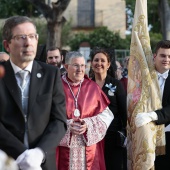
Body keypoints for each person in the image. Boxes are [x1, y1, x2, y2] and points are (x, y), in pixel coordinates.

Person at [0, 16, 67, 170]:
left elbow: (59, 120)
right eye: (20, 37)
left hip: (42, 163)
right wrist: (22, 154)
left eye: (32, 36)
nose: (28, 42)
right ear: (7, 45)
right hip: (6, 161)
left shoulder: (51, 74)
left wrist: (38, 153)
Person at [56, 51, 114, 170]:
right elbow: (46, 116)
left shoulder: (92, 87)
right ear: (66, 67)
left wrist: (88, 125)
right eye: (76, 65)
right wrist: (66, 126)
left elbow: (107, 116)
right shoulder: (56, 87)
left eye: (83, 66)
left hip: (88, 151)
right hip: (63, 150)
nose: (80, 69)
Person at [135, 40, 170, 169]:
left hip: (168, 134)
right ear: (155, 56)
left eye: (169, 56)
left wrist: (152, 115)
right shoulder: (144, 77)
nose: (166, 59)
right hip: (145, 135)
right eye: (163, 55)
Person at [90, 48, 127, 170]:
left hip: (113, 136)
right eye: (96, 60)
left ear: (108, 64)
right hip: (93, 138)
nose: (99, 63)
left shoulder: (116, 84)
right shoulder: (87, 85)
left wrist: (124, 132)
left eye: (102, 60)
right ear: (91, 63)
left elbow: (124, 111)